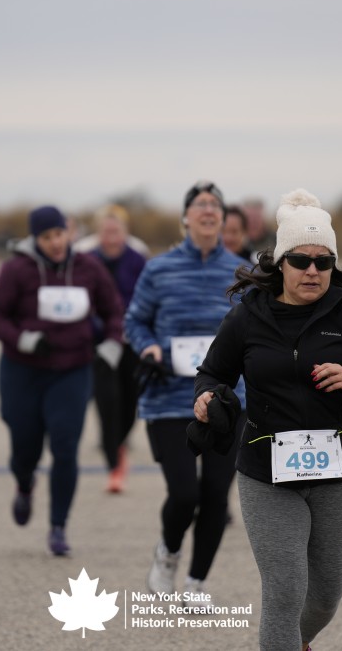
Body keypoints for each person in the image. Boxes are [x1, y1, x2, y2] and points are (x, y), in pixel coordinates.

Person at [194, 188, 342, 651]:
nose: (312, 271)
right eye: (300, 260)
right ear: (280, 263)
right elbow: (212, 374)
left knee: (327, 593)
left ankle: (296, 643)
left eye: (323, 262)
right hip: (266, 470)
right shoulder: (248, 317)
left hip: (337, 470)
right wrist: (207, 398)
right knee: (285, 589)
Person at [124, 180, 247, 604]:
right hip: (169, 399)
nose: (208, 210)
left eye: (215, 204)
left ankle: (197, 582)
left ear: (223, 218)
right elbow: (134, 321)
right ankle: (168, 554)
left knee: (215, 495)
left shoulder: (242, 273)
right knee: (184, 494)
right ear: (185, 217)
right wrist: (149, 347)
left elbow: (255, 333)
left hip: (225, 402)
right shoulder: (158, 269)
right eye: (200, 204)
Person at [0, 205, 124, 556]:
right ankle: (24, 482)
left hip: (72, 370)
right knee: (25, 446)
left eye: (59, 234)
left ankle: (59, 526)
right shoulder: (17, 270)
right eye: (47, 237)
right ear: (35, 239)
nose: (55, 242)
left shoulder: (88, 267)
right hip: (23, 371)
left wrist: (111, 346)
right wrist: (23, 339)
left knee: (65, 447)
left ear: (68, 233)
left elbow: (113, 311)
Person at [76, 205, 147, 493]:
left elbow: (146, 297)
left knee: (131, 402)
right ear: (98, 233)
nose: (111, 236)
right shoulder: (87, 259)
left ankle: (119, 443)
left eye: (116, 231)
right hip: (101, 343)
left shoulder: (137, 259)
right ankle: (113, 464)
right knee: (107, 402)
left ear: (125, 232)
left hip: (131, 341)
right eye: (106, 231)